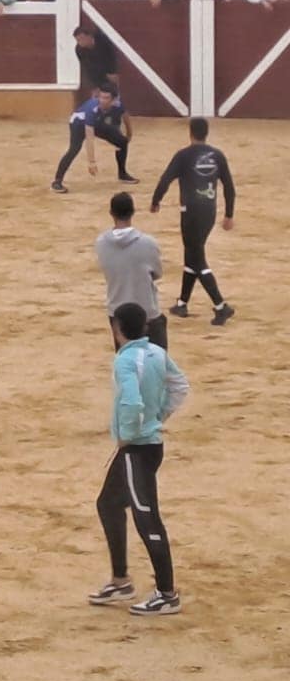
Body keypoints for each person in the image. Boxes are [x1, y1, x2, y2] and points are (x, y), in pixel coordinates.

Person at [87, 302, 189, 617]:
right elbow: (180, 386)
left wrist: (130, 433)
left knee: (147, 517)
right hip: (147, 446)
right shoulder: (157, 353)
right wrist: (159, 416)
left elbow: (131, 402)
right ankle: (121, 581)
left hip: (137, 449)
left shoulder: (125, 360)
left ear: (117, 329)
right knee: (108, 504)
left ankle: (167, 594)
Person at [151, 117, 236, 327]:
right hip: (209, 211)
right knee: (192, 254)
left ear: (190, 133)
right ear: (206, 133)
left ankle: (220, 306)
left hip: (190, 213)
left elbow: (165, 179)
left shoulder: (183, 155)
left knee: (197, 259)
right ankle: (182, 303)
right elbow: (229, 186)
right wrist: (229, 214)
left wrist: (156, 201)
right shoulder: (217, 155)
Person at [96, 192, 168, 353]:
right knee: (156, 359)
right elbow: (157, 273)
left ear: (111, 213)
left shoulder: (101, 243)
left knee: (126, 359)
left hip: (117, 310)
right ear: (133, 212)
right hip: (146, 309)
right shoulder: (148, 242)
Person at [54, 84, 134, 192]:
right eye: (101, 97)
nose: (102, 100)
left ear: (114, 100)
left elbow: (125, 116)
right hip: (78, 124)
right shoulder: (92, 109)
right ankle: (57, 181)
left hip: (96, 123)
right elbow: (89, 137)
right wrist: (91, 162)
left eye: (106, 98)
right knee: (74, 149)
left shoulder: (118, 105)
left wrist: (129, 134)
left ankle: (122, 174)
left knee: (122, 141)